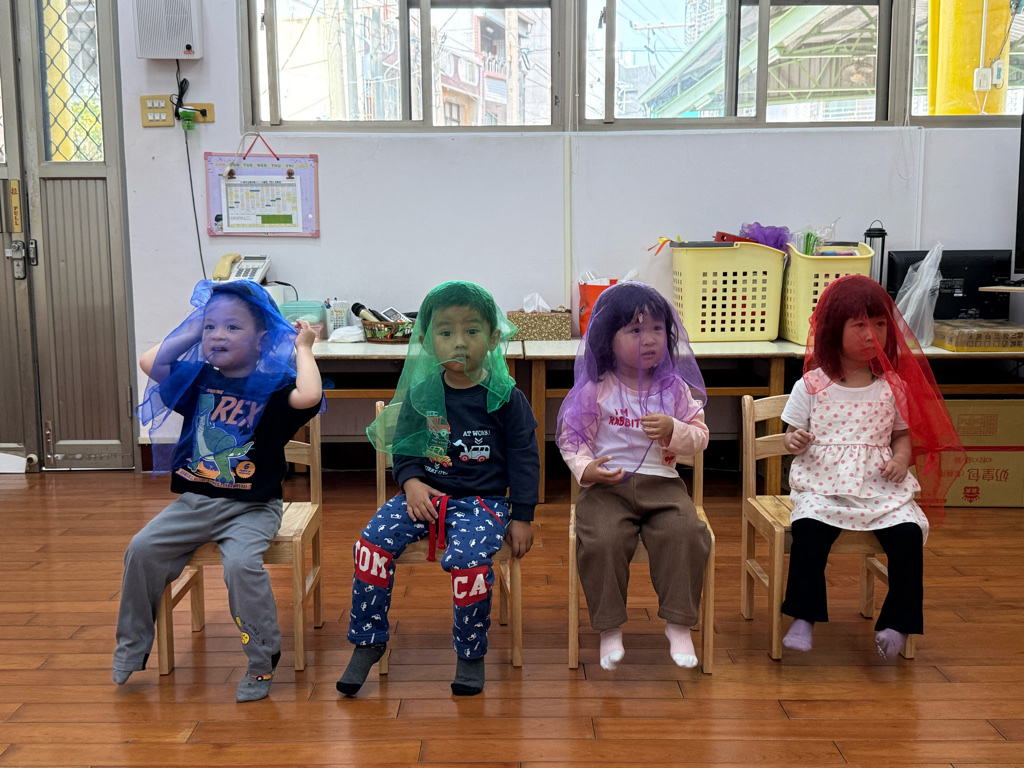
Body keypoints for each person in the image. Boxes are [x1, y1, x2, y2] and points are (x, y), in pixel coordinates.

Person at [113, 280, 324, 701]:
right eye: (211, 327)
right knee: (140, 550)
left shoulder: (274, 386)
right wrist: (193, 330)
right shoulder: (197, 380)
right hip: (196, 502)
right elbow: (151, 361)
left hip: (253, 507)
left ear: (262, 339)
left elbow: (309, 395)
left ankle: (262, 660)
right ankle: (133, 645)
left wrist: (303, 348)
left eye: (232, 327)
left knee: (241, 567)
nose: (218, 335)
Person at [337, 281, 538, 697]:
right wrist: (411, 483)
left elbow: (525, 459)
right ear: (429, 341)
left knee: (468, 563)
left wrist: (523, 516)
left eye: (472, 330)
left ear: (493, 338)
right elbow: (405, 448)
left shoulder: (507, 398)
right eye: (446, 332)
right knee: (370, 545)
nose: (459, 342)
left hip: (484, 503)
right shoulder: (422, 394)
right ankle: (368, 641)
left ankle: (470, 653)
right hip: (423, 497)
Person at [780, 275, 964, 659]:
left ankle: (898, 623)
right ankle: (803, 616)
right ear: (834, 329)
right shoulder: (811, 385)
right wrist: (794, 440)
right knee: (809, 533)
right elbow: (791, 433)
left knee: (908, 537)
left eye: (880, 324)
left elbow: (901, 436)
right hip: (823, 485)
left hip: (879, 487)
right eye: (860, 325)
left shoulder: (892, 386)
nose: (872, 334)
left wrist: (900, 458)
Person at [557, 282, 711, 671]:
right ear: (609, 339)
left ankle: (679, 624)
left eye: (657, 328)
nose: (650, 338)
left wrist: (675, 429)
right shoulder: (597, 388)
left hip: (664, 486)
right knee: (602, 540)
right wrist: (587, 469)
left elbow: (700, 437)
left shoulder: (673, 389)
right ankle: (609, 628)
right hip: (607, 489)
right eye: (636, 329)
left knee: (687, 533)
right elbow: (571, 439)